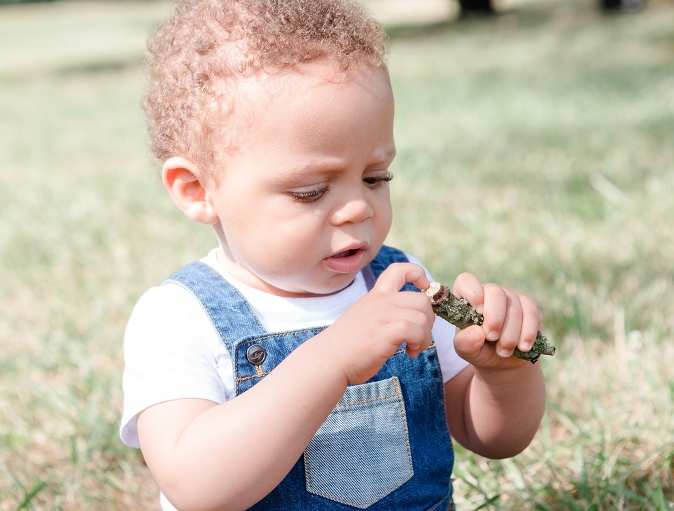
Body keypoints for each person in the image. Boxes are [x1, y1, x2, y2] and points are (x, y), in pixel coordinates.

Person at [119, 1, 547, 510]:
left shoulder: (403, 285)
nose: (356, 208)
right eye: (310, 191)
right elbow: (197, 487)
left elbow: (493, 438)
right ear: (197, 190)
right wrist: (333, 358)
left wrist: (504, 375)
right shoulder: (178, 318)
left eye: (375, 177)